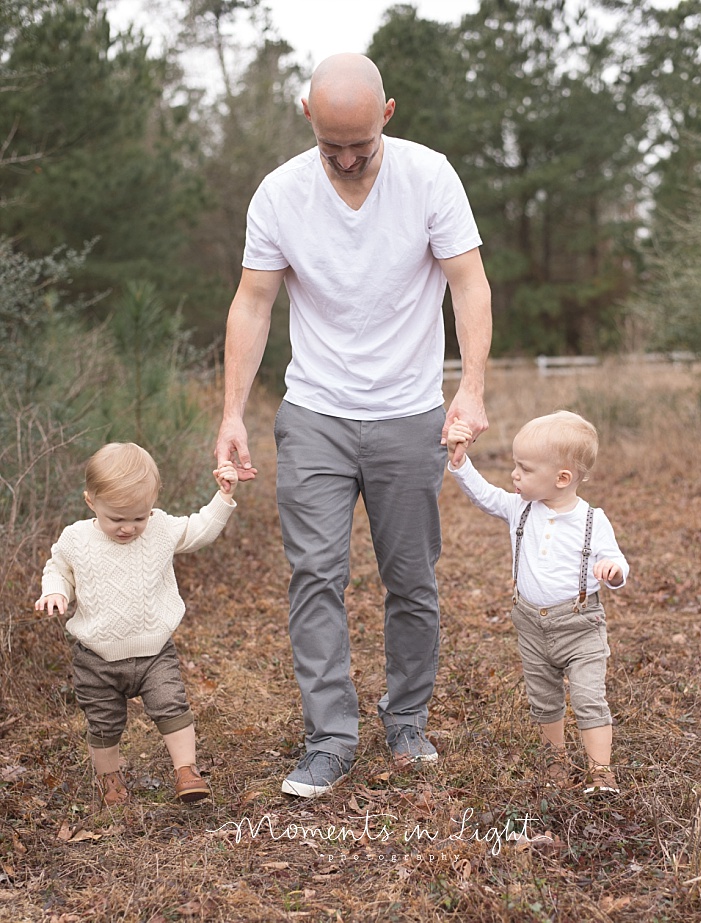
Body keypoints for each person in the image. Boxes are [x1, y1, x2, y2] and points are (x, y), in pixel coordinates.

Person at [215, 53, 492, 798]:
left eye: (360, 145)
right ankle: (330, 737)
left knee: (411, 580)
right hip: (314, 414)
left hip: (409, 414)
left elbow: (468, 282)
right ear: (307, 114)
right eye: (330, 144)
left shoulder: (431, 177)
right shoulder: (279, 194)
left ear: (387, 115)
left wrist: (470, 389)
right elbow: (253, 302)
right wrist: (232, 412)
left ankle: (405, 720)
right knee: (315, 577)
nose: (344, 159)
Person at [35, 443, 239, 806]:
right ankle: (110, 781)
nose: (129, 528)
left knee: (171, 705)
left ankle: (186, 771)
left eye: (138, 518)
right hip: (96, 658)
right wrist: (55, 591)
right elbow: (58, 568)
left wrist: (223, 496)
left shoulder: (159, 528)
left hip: (154, 652)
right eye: (117, 519)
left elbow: (199, 530)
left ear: (152, 505)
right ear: (90, 501)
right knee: (104, 723)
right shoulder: (77, 538)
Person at [446, 411, 629, 794]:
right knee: (544, 700)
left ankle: (601, 773)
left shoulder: (591, 520)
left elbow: (614, 560)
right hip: (530, 625)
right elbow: (484, 494)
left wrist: (612, 570)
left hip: (580, 626)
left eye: (525, 469)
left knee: (587, 698)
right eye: (515, 466)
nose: (515, 475)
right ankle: (555, 765)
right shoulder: (520, 507)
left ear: (562, 478)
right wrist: (461, 463)